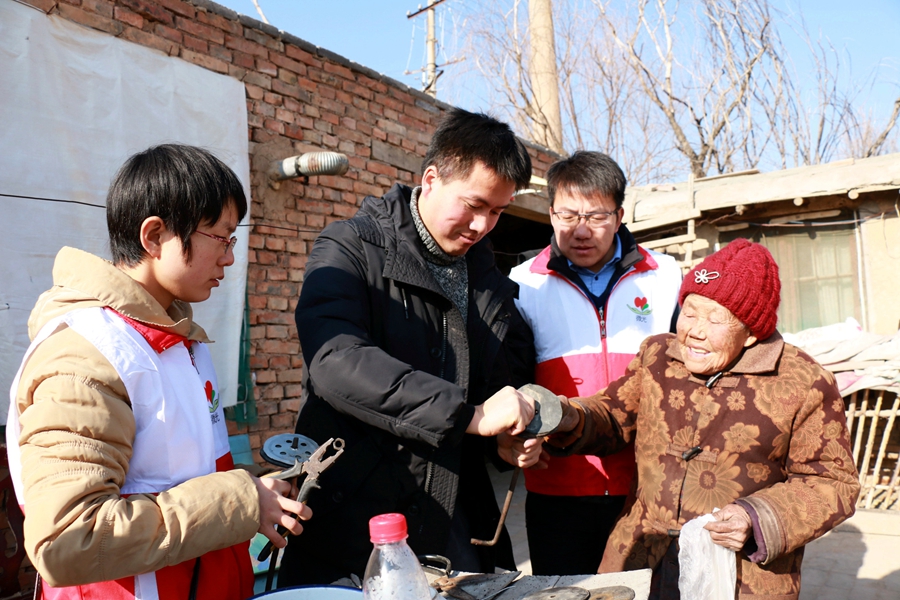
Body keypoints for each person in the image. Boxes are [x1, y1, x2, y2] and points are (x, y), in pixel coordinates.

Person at [6, 144, 311, 600]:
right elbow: (68, 539)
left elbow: (184, 478)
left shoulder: (173, 338)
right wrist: (240, 501)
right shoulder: (86, 355)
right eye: (221, 238)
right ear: (154, 237)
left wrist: (252, 492)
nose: (229, 258)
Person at [277, 107, 537, 587]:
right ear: (432, 178)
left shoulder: (486, 277)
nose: (482, 225)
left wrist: (507, 437)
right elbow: (336, 362)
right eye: (474, 204)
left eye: (497, 211)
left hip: (458, 519)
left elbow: (503, 376)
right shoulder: (351, 248)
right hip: (355, 520)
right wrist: (469, 416)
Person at [515, 239, 860, 599]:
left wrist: (756, 517)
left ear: (752, 331)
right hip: (639, 559)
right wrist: (567, 415)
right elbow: (613, 415)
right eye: (690, 312)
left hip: (740, 576)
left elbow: (832, 483)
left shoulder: (803, 382)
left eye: (715, 319)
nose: (694, 330)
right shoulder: (659, 356)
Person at [506, 151, 682, 575]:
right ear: (550, 214)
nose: (581, 230)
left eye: (596, 216)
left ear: (620, 215)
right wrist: (511, 440)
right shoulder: (522, 283)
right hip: (558, 486)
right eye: (567, 215)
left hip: (649, 486)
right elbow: (508, 380)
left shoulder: (666, 278)